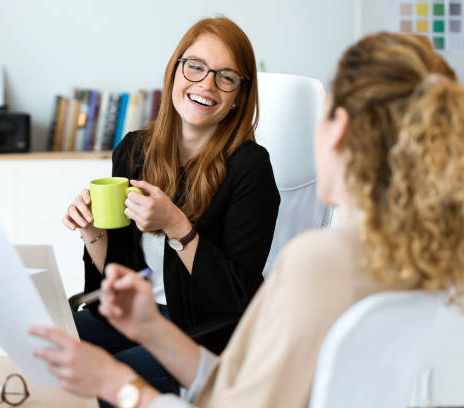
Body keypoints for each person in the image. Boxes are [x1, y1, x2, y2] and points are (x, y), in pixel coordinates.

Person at [33, 32, 464, 407]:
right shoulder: (436, 262)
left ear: (340, 130)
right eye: (195, 68)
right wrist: (150, 328)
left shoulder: (319, 260)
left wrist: (114, 384)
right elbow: (236, 384)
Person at [61, 17, 280, 395]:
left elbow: (238, 298)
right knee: (49, 346)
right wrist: (92, 232)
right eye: (195, 67)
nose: (206, 85)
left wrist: (178, 228)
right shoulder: (133, 151)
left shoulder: (250, 167)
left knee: (99, 381)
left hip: (202, 336)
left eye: (226, 77)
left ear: (238, 97)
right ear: (175, 70)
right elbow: (120, 277)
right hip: (136, 316)